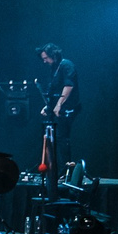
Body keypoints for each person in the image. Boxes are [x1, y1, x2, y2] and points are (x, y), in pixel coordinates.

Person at [35, 43, 78, 173]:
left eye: (46, 58)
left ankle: (66, 171)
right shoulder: (54, 68)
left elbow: (68, 86)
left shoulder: (66, 65)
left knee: (61, 138)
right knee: (54, 140)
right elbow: (55, 91)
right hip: (56, 108)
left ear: (53, 55)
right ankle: (55, 171)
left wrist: (59, 104)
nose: (44, 61)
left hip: (67, 109)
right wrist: (48, 107)